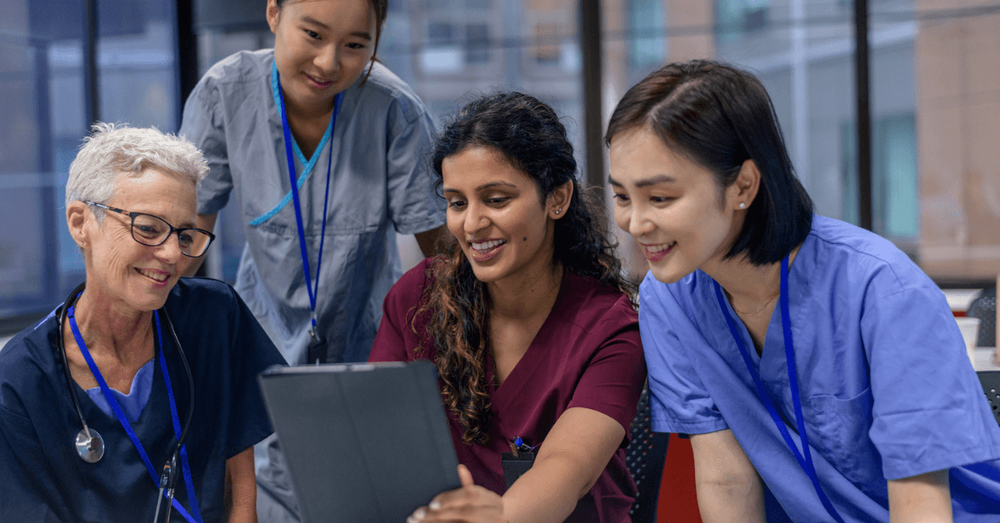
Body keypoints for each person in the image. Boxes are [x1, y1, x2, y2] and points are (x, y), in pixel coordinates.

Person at [605, 59, 1000, 522]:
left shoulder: (882, 290)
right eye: (622, 197)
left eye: (660, 198)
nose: (635, 223)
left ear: (743, 185)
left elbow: (921, 504)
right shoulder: (667, 301)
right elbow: (725, 477)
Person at [369, 92, 646, 523]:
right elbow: (380, 443)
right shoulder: (415, 298)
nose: (472, 223)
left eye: (496, 199)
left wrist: (498, 517)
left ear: (557, 199)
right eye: (457, 202)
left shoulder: (611, 326)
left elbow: (566, 466)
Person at [0, 123, 286, 523]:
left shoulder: (214, 317)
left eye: (185, 235)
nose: (172, 254)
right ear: (81, 223)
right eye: (149, 229)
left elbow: (240, 491)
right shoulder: (20, 382)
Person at [179, 0, 447, 367]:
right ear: (274, 13)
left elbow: (443, 255)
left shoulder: (393, 109)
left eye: (354, 45)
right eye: (313, 35)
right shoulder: (224, 93)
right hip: (260, 339)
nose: (328, 63)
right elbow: (187, 232)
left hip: (371, 345)